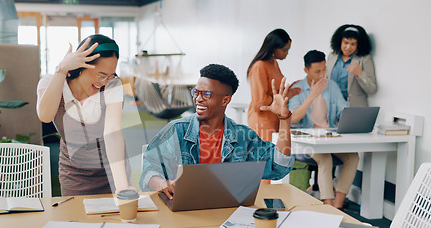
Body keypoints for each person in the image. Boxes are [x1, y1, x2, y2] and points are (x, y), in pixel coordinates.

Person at [140, 64, 294, 199]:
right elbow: (149, 172)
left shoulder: (243, 137)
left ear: (225, 100)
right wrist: (162, 184)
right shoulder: (176, 130)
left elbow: (279, 166)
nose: (198, 99)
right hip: (182, 212)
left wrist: (284, 119)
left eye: (206, 94)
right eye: (196, 92)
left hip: (227, 213)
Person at [36, 34, 130, 196]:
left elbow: (112, 134)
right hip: (74, 172)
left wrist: (122, 186)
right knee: (75, 218)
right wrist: (61, 70)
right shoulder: (51, 83)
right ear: (82, 66)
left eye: (110, 75)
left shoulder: (112, 86)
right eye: (101, 75)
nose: (104, 82)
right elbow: (45, 116)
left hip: (112, 170)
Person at [289, 50, 359, 209]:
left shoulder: (332, 86)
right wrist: (312, 95)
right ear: (306, 70)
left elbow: (343, 111)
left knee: (352, 157)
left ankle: (337, 207)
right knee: (325, 158)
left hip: (329, 137)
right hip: (305, 142)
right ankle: (328, 207)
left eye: (324, 70)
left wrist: (351, 118)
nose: (322, 75)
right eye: (317, 71)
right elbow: (293, 118)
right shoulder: (297, 88)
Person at [247, 28, 301, 142]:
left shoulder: (274, 63)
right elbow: (259, 102)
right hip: (263, 120)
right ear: (273, 48)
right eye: (284, 50)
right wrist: (285, 96)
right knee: (265, 156)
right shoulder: (259, 66)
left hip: (275, 118)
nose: (287, 53)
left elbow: (276, 92)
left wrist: (290, 90)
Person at [327, 24, 377, 107]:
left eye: (353, 44)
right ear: (340, 42)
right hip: (332, 107)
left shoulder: (364, 59)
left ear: (358, 45)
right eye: (345, 43)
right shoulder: (332, 56)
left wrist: (360, 74)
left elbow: (372, 89)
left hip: (353, 108)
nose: (348, 47)